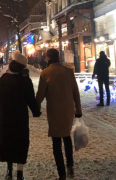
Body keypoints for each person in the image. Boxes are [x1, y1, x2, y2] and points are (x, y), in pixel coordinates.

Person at [36, 48, 82, 180]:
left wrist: (36, 107)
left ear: (48, 58)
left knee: (56, 142)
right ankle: (70, 165)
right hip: (68, 110)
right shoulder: (68, 72)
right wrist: (78, 110)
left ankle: (61, 173)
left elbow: (40, 94)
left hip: (54, 111)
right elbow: (75, 92)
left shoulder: (45, 73)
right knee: (67, 137)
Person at [0, 50, 41, 180]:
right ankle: (20, 173)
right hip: (20, 117)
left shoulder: (4, 78)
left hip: (5, 116)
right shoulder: (26, 81)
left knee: (8, 141)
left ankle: (9, 172)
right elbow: (31, 100)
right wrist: (36, 112)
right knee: (20, 142)